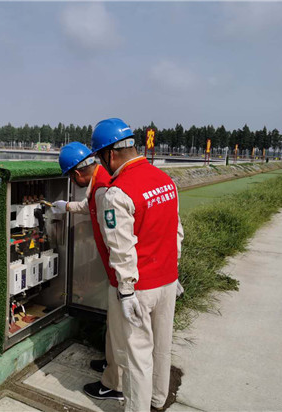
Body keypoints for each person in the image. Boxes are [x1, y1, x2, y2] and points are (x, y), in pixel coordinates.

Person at [89, 118, 184, 412]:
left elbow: (121, 249)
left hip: (138, 289)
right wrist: (173, 269)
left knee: (135, 356)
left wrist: (126, 290)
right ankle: (158, 399)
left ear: (109, 154)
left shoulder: (117, 192)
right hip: (167, 281)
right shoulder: (164, 180)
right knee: (161, 346)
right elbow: (175, 231)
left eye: (100, 158)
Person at [53, 142, 125, 401]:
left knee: (119, 328)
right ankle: (111, 364)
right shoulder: (99, 181)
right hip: (114, 268)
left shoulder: (105, 189)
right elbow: (88, 205)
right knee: (113, 324)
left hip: (120, 271)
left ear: (76, 173)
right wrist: (67, 206)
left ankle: (114, 383)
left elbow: (118, 237)